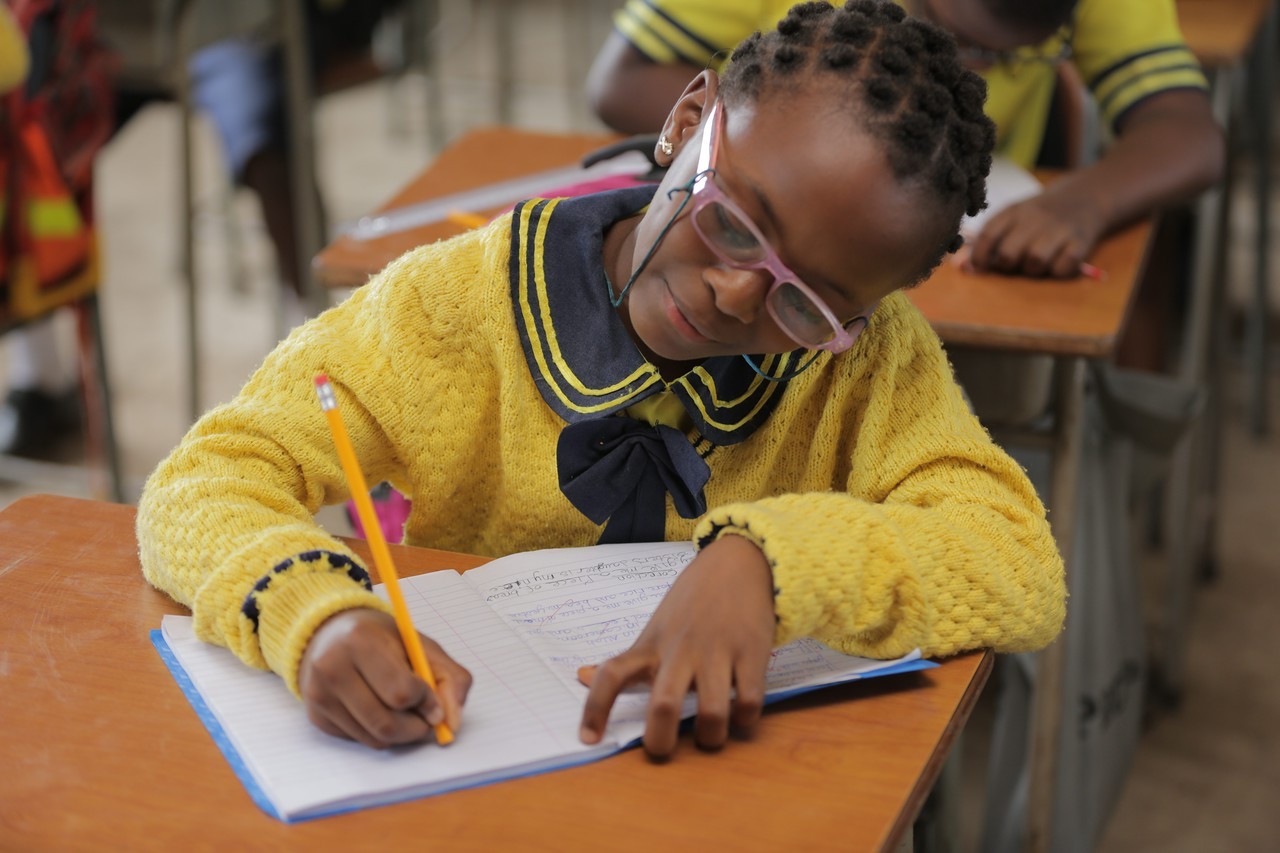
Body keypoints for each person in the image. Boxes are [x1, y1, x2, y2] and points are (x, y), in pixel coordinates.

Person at [137, 0, 1066, 759]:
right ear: (687, 123)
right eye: (734, 222)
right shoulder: (455, 306)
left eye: (802, 303)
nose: (736, 289)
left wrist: (769, 564)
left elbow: (1016, 561)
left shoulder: (862, 357)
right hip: (477, 758)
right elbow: (205, 477)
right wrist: (317, 614)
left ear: (853, 316)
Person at [589, 0, 1224, 282]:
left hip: (943, 269)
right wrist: (780, 140)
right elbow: (620, 80)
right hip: (746, 246)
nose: (979, 70)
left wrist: (1081, 202)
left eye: (1023, 57)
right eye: (961, 41)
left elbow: (1188, 133)